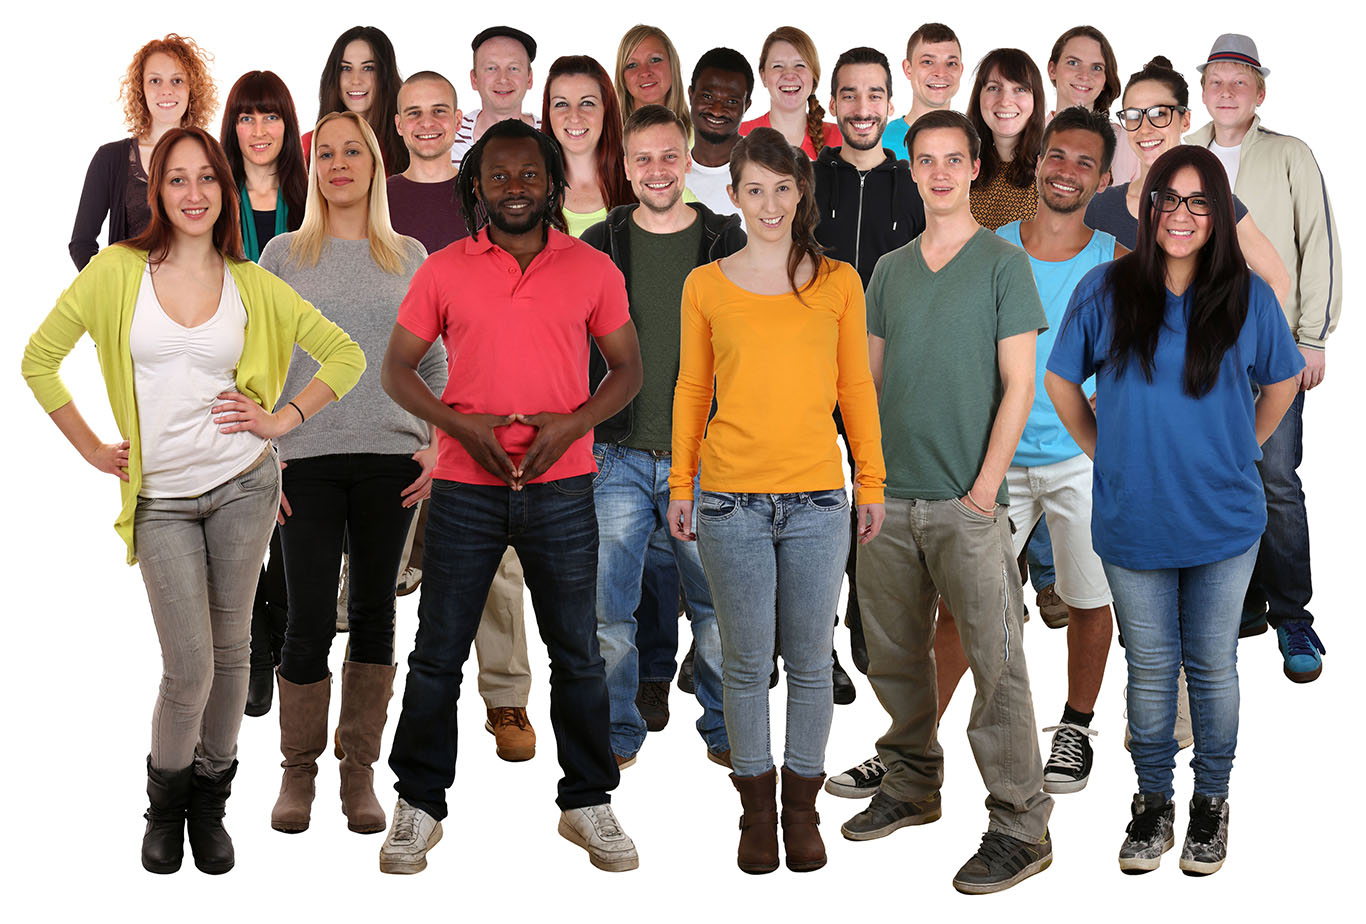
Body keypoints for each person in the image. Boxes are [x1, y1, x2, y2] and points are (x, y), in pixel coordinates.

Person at [24, 127, 364, 875]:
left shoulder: (253, 283)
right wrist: (89, 447)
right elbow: (39, 360)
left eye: (206, 178)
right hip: (165, 501)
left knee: (233, 653)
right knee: (189, 667)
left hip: (245, 485)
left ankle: (211, 800)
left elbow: (346, 354)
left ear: (225, 189)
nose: (193, 193)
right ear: (157, 192)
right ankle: (164, 804)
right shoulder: (117, 272)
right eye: (176, 179)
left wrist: (280, 419)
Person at [378, 119, 643, 875]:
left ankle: (588, 801)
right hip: (465, 488)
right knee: (436, 656)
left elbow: (626, 370)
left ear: (552, 183)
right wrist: (460, 426)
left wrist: (574, 425)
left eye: (530, 176)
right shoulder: (444, 270)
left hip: (563, 487)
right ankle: (419, 805)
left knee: (579, 656)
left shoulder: (590, 268)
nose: (516, 189)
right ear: (477, 187)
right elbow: (398, 370)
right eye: (500, 177)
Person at [1046, 145, 1303, 875]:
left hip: (1224, 521)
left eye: (1200, 202)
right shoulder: (1105, 288)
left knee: (1212, 667)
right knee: (1152, 671)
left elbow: (1281, 383)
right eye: (1169, 199)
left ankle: (1210, 806)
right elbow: (1063, 381)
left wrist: (1243, 444)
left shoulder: (1248, 296)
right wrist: (1104, 447)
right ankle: (1152, 805)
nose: (1182, 216)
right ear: (1148, 207)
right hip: (1134, 518)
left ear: (1218, 215)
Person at [838, 110, 1053, 895]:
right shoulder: (890, 270)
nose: (937, 173)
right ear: (913, 170)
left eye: (951, 160)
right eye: (923, 160)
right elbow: (865, 386)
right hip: (889, 504)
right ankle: (909, 785)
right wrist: (867, 482)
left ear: (972, 170)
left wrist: (985, 490)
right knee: (896, 660)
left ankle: (1020, 825)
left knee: (998, 670)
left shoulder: (1003, 263)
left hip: (968, 503)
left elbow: (1021, 385)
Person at [667, 126, 886, 874]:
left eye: (782, 188)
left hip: (819, 500)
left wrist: (872, 483)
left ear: (802, 195)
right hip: (728, 498)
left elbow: (856, 388)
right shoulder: (706, 285)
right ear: (732, 197)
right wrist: (680, 486)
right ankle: (755, 811)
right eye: (753, 189)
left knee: (810, 659)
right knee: (745, 662)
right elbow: (693, 389)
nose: (768, 203)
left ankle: (802, 807)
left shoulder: (839, 283)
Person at [259, 111, 436, 838]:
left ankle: (357, 768)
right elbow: (254, 357)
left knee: (374, 612)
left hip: (391, 457)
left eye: (352, 152)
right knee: (303, 619)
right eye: (325, 153)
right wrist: (259, 451)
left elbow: (435, 357)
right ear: (315, 168)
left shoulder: (410, 254)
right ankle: (298, 769)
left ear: (374, 162)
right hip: (303, 457)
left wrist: (437, 441)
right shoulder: (281, 255)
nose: (338, 164)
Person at [580, 104, 744, 770]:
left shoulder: (725, 242)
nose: (656, 170)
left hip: (704, 456)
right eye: (642, 158)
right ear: (624, 167)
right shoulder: (599, 243)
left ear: (688, 162)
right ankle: (619, 730)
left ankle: (726, 727)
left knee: (716, 612)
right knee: (609, 614)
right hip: (614, 454)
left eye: (668, 156)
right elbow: (570, 342)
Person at [387, 69, 538, 763]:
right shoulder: (377, 198)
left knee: (498, 561)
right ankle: (374, 692)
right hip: (393, 402)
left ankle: (506, 698)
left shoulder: (489, 201)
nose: (426, 123)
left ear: (461, 122)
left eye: (439, 112)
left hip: (480, 409)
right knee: (377, 556)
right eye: (413, 113)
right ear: (397, 123)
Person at [1186, 34, 1341, 682]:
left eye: (1239, 81)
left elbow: (1319, 242)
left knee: (1276, 477)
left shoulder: (1289, 155)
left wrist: (1312, 336)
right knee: (1215, 477)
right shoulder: (1181, 156)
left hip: (1273, 346)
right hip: (1200, 350)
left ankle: (1293, 614)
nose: (1227, 92)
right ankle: (1240, 602)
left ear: (1260, 92)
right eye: (1217, 80)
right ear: (1203, 89)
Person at [994, 107, 1124, 794]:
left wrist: (1120, 394)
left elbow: (1154, 346)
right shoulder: (991, 247)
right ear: (1038, 160)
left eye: (1083, 162)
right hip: (999, 456)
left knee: (1086, 595)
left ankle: (1074, 726)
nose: (1066, 170)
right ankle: (915, 737)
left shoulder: (1117, 260)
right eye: (1057, 155)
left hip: (1081, 456)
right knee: (963, 602)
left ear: (1103, 179)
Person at [814, 46, 926, 688]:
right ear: (833, 104)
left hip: (885, 373)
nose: (861, 108)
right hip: (809, 372)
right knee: (817, 506)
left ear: (891, 105)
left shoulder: (914, 182)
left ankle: (868, 625)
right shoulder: (807, 178)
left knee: (874, 504)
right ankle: (816, 640)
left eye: (874, 95)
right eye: (849, 95)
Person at [219, 69, 310, 717]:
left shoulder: (311, 204)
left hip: (302, 378)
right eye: (247, 117)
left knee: (294, 512)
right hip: (226, 377)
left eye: (270, 116)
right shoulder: (211, 198)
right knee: (243, 512)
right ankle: (253, 642)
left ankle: (283, 634)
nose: (258, 130)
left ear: (287, 125)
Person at [70, 34, 217, 270]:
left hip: (195, 300)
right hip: (132, 302)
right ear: (141, 89)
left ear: (193, 88)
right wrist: (111, 290)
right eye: (155, 81)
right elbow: (82, 244)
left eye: (177, 80)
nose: (166, 90)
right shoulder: (110, 159)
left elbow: (225, 239)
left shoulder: (212, 156)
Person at [541, 55, 636, 237]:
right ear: (548, 112)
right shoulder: (530, 192)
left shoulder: (645, 181)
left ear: (606, 109)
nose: (574, 116)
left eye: (587, 103)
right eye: (561, 104)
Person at [303, 26, 407, 176]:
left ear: (385, 77)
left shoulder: (408, 143)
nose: (355, 80)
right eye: (346, 68)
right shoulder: (308, 145)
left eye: (368, 68)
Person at [1045, 25, 1139, 184]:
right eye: (1073, 63)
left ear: (1105, 81)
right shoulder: (1029, 137)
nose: (1084, 75)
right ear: (1052, 70)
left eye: (1096, 67)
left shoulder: (1128, 144)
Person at [966, 48, 1046, 229]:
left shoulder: (1049, 169)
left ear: (1036, 100)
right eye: (994, 88)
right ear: (979, 97)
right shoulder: (961, 166)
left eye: (1019, 89)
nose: (1005, 101)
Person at [740, 27, 842, 159]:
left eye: (800, 65)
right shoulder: (740, 136)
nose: (789, 74)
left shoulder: (841, 138)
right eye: (777, 66)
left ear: (814, 76)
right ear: (763, 76)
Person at [451, 26, 540, 171]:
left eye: (513, 68)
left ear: (529, 79)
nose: (503, 79)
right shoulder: (448, 137)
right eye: (491, 68)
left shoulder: (553, 135)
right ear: (474, 79)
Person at [686, 47, 753, 221]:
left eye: (731, 101)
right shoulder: (667, 172)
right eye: (708, 96)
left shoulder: (768, 167)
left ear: (746, 106)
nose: (717, 111)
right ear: (691, 95)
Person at [882, 23, 962, 161]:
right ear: (908, 69)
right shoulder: (881, 142)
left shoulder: (973, 139)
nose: (941, 73)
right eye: (928, 62)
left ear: (960, 70)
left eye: (951, 63)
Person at [614, 25, 692, 138]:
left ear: (672, 66)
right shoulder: (607, 141)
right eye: (632, 65)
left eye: (655, 60)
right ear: (622, 77)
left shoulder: (701, 139)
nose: (644, 72)